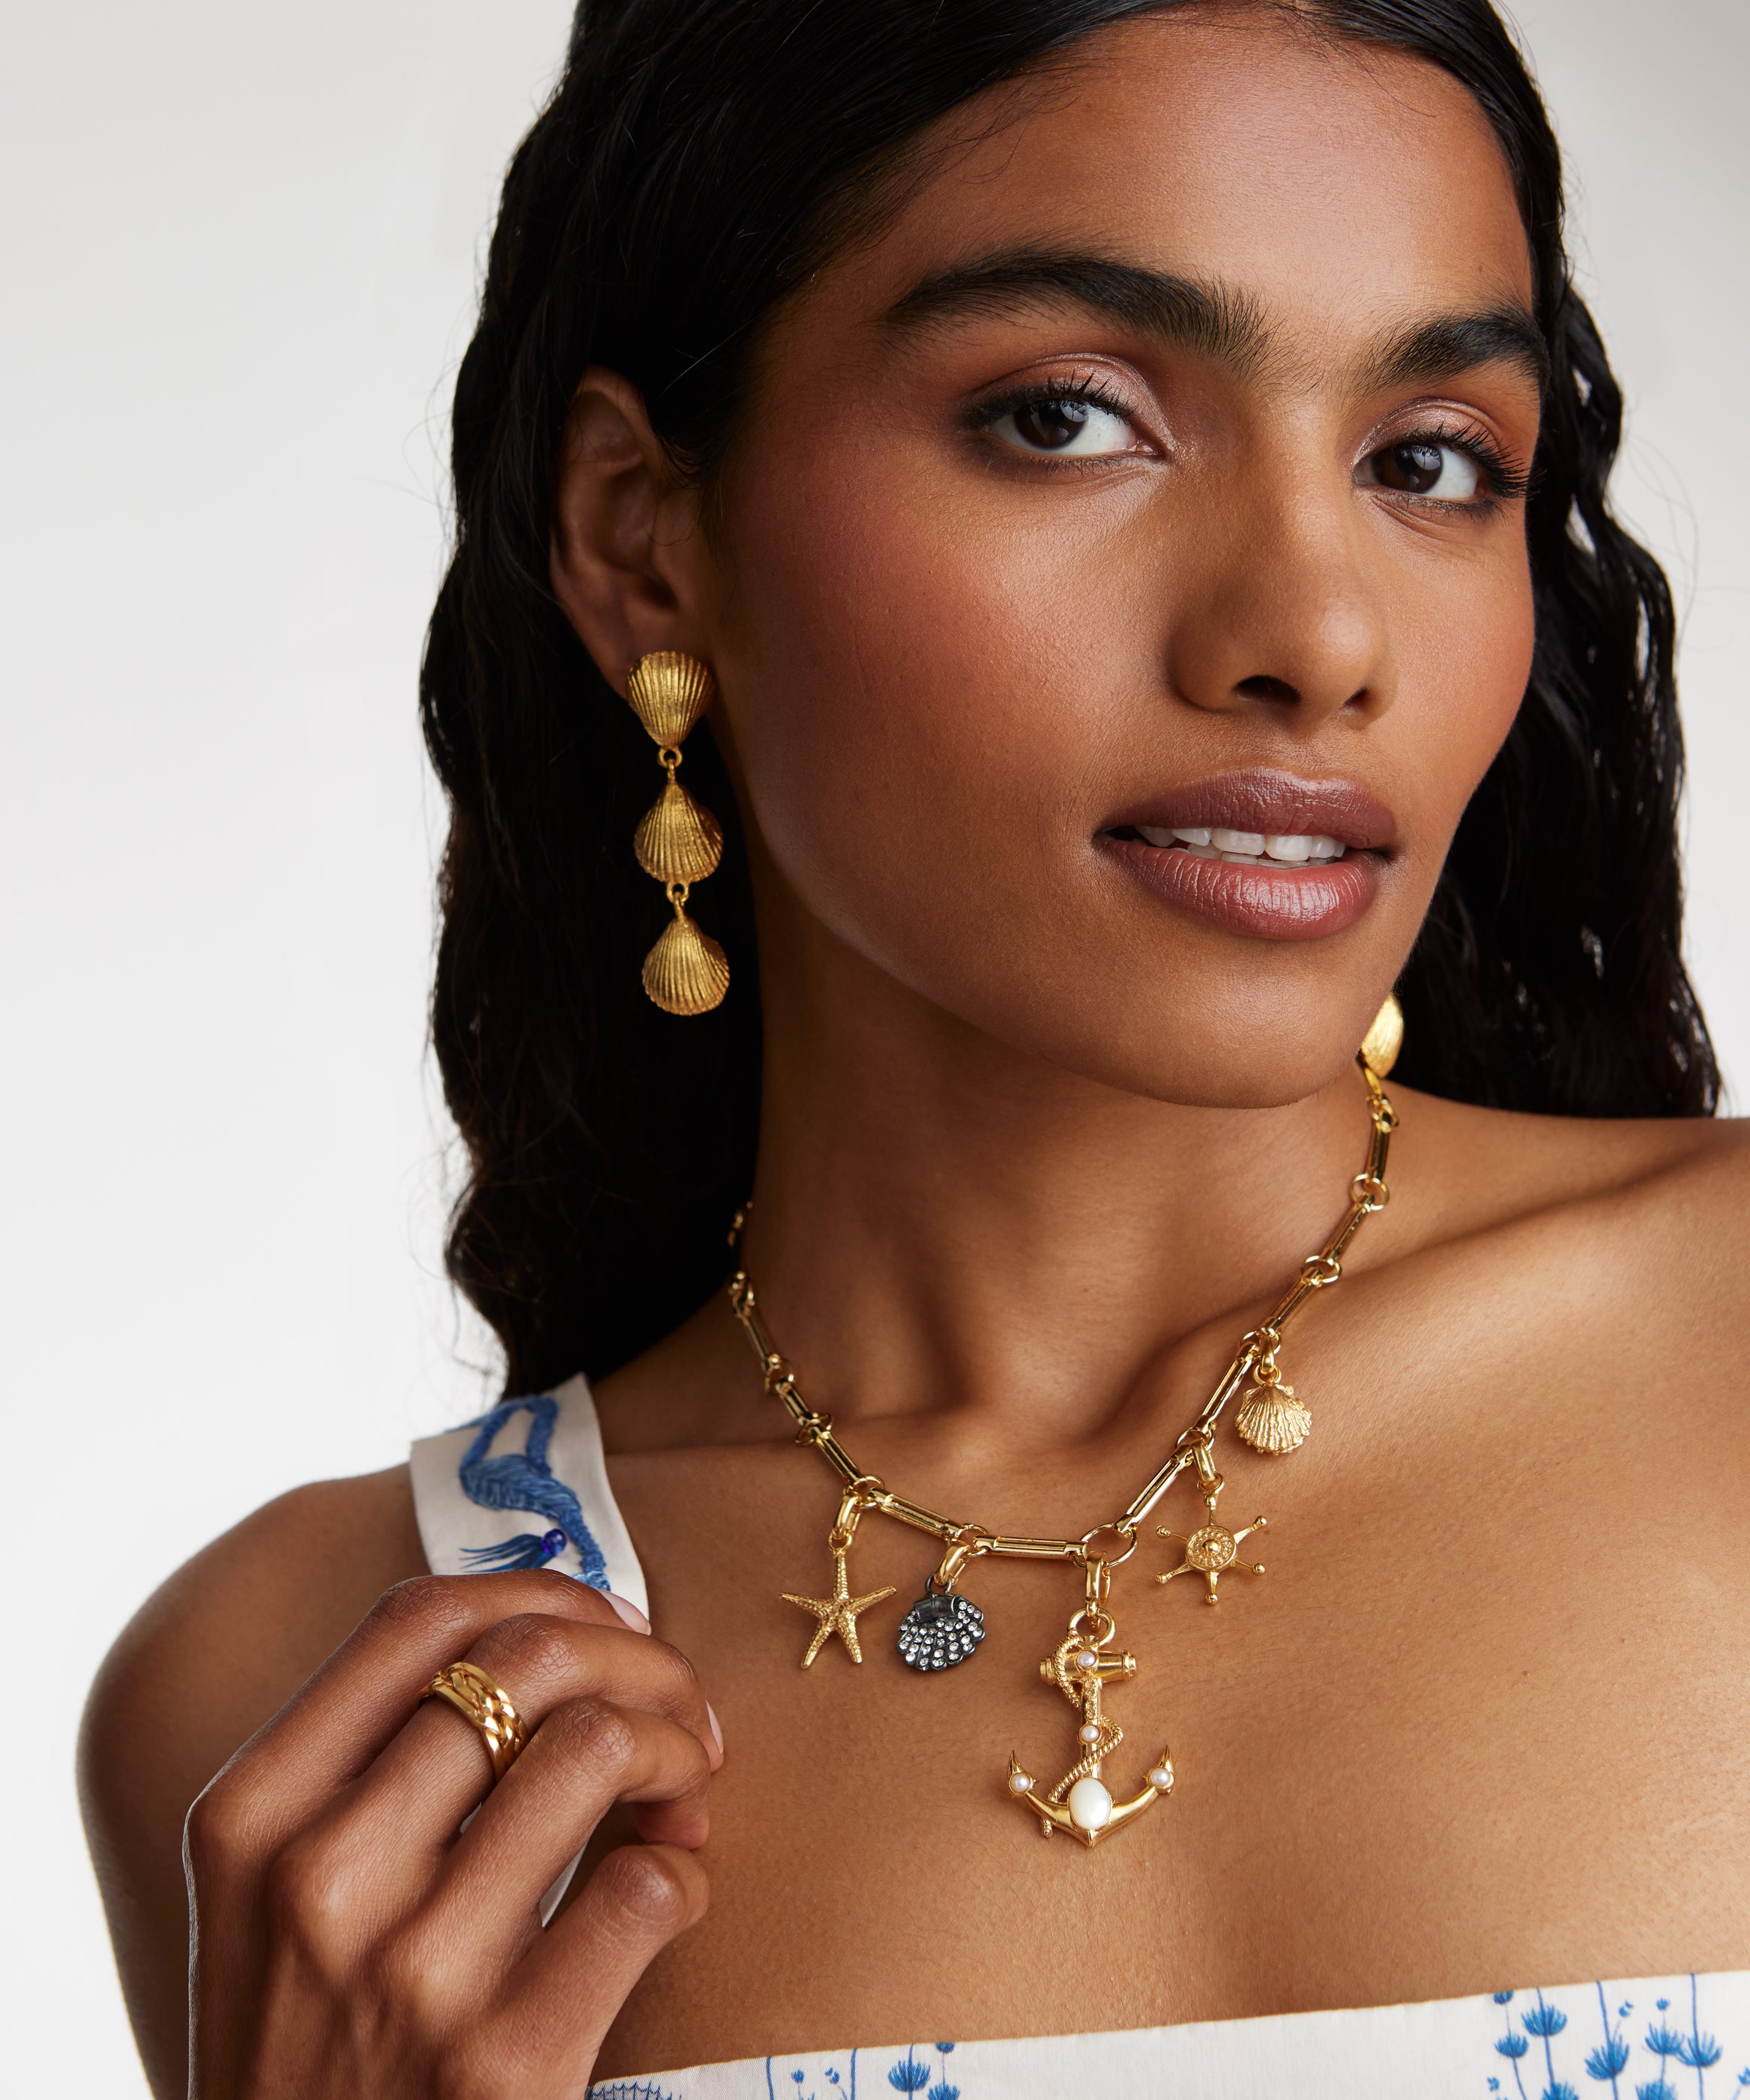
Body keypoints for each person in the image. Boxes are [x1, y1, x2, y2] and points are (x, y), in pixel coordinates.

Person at [79, 1, 1750, 2094]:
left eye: (1429, 461)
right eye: (1069, 418)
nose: (1318, 640)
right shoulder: (326, 1702)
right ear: (639, 531)